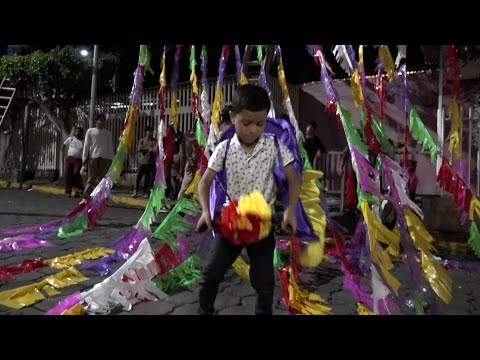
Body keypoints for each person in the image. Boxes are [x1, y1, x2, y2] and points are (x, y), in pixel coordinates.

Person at [195, 84, 300, 315]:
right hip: (230, 225)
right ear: (233, 117)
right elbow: (203, 183)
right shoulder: (223, 148)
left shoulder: (274, 146)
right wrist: (205, 211)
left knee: (264, 283)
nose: (253, 129)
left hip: (262, 227)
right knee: (210, 276)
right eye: (246, 123)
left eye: (260, 123)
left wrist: (291, 209)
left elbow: (294, 179)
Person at [82, 114, 114, 200]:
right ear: (96, 121)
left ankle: (102, 196)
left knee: (103, 178)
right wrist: (84, 157)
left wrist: (112, 159)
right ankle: (86, 194)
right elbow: (86, 145)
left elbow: (110, 146)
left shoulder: (108, 133)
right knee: (91, 177)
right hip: (94, 157)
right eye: (100, 120)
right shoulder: (90, 131)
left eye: (103, 120)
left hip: (105, 158)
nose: (102, 122)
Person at [132, 126, 157, 198]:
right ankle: (135, 190)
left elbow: (156, 150)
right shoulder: (142, 140)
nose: (150, 133)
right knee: (138, 176)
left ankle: (145, 192)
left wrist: (152, 149)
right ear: (146, 132)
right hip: (142, 162)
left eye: (151, 131)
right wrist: (149, 148)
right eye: (149, 131)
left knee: (148, 178)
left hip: (150, 162)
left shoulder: (155, 141)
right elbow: (139, 149)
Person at [177, 127, 199, 200]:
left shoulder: (192, 137)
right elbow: (186, 154)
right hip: (190, 164)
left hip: (194, 165)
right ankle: (178, 204)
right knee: (184, 187)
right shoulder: (191, 137)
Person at [63, 126, 85, 197]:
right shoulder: (71, 139)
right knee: (67, 173)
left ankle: (79, 187)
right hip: (69, 158)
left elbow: (87, 150)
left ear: (82, 133)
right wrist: (64, 156)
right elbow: (63, 146)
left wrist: (86, 160)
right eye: (76, 131)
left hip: (79, 159)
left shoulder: (84, 141)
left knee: (76, 172)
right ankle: (68, 191)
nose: (78, 133)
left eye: (79, 131)